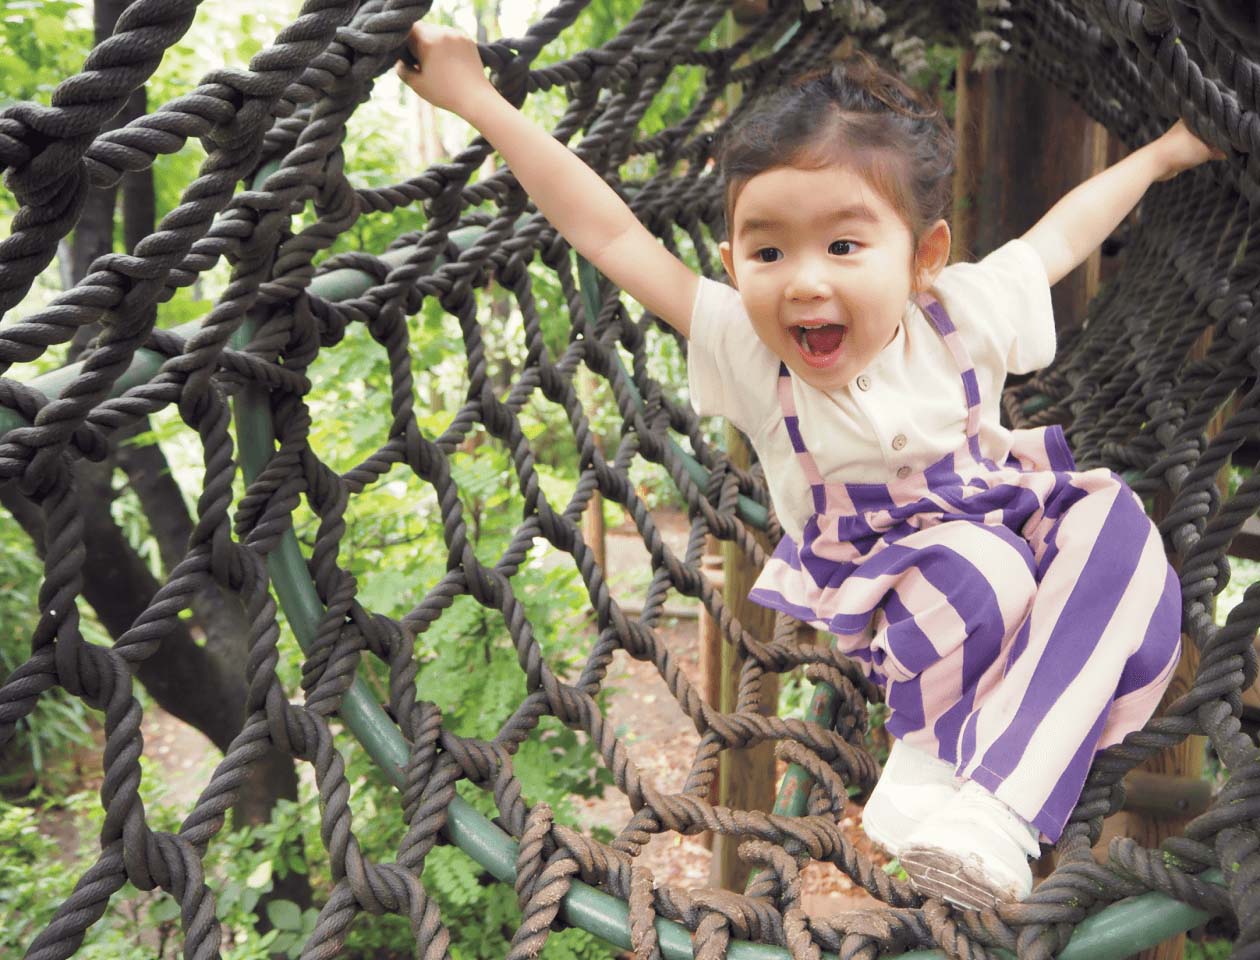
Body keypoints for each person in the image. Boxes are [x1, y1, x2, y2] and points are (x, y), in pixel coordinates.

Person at [397, 22, 1221, 910]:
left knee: (1118, 527)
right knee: (984, 575)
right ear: (730, 264)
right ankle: (986, 799)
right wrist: (478, 101)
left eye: (843, 246)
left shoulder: (963, 309)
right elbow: (609, 236)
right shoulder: (747, 348)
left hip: (1005, 511)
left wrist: (1165, 155)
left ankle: (960, 782)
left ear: (924, 258)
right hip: (895, 585)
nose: (803, 281)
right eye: (767, 251)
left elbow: (1066, 234)